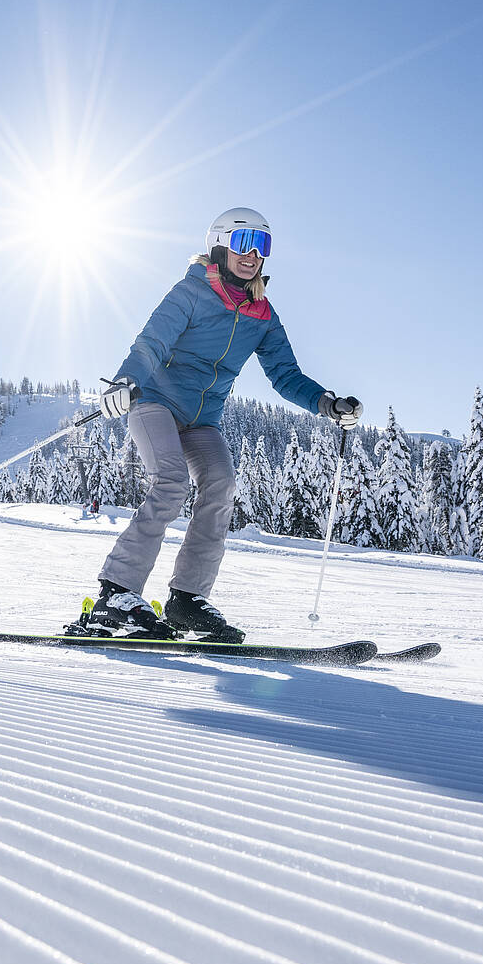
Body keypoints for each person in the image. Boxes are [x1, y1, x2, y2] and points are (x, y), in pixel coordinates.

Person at [86, 207, 362, 641]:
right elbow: (152, 341)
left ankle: (186, 601)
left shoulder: (262, 314)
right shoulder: (191, 291)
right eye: (242, 243)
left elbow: (285, 375)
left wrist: (326, 403)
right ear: (219, 245)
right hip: (154, 400)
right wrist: (126, 380)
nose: (252, 254)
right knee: (171, 483)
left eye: (262, 246)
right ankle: (116, 594)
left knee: (220, 484)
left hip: (203, 419)